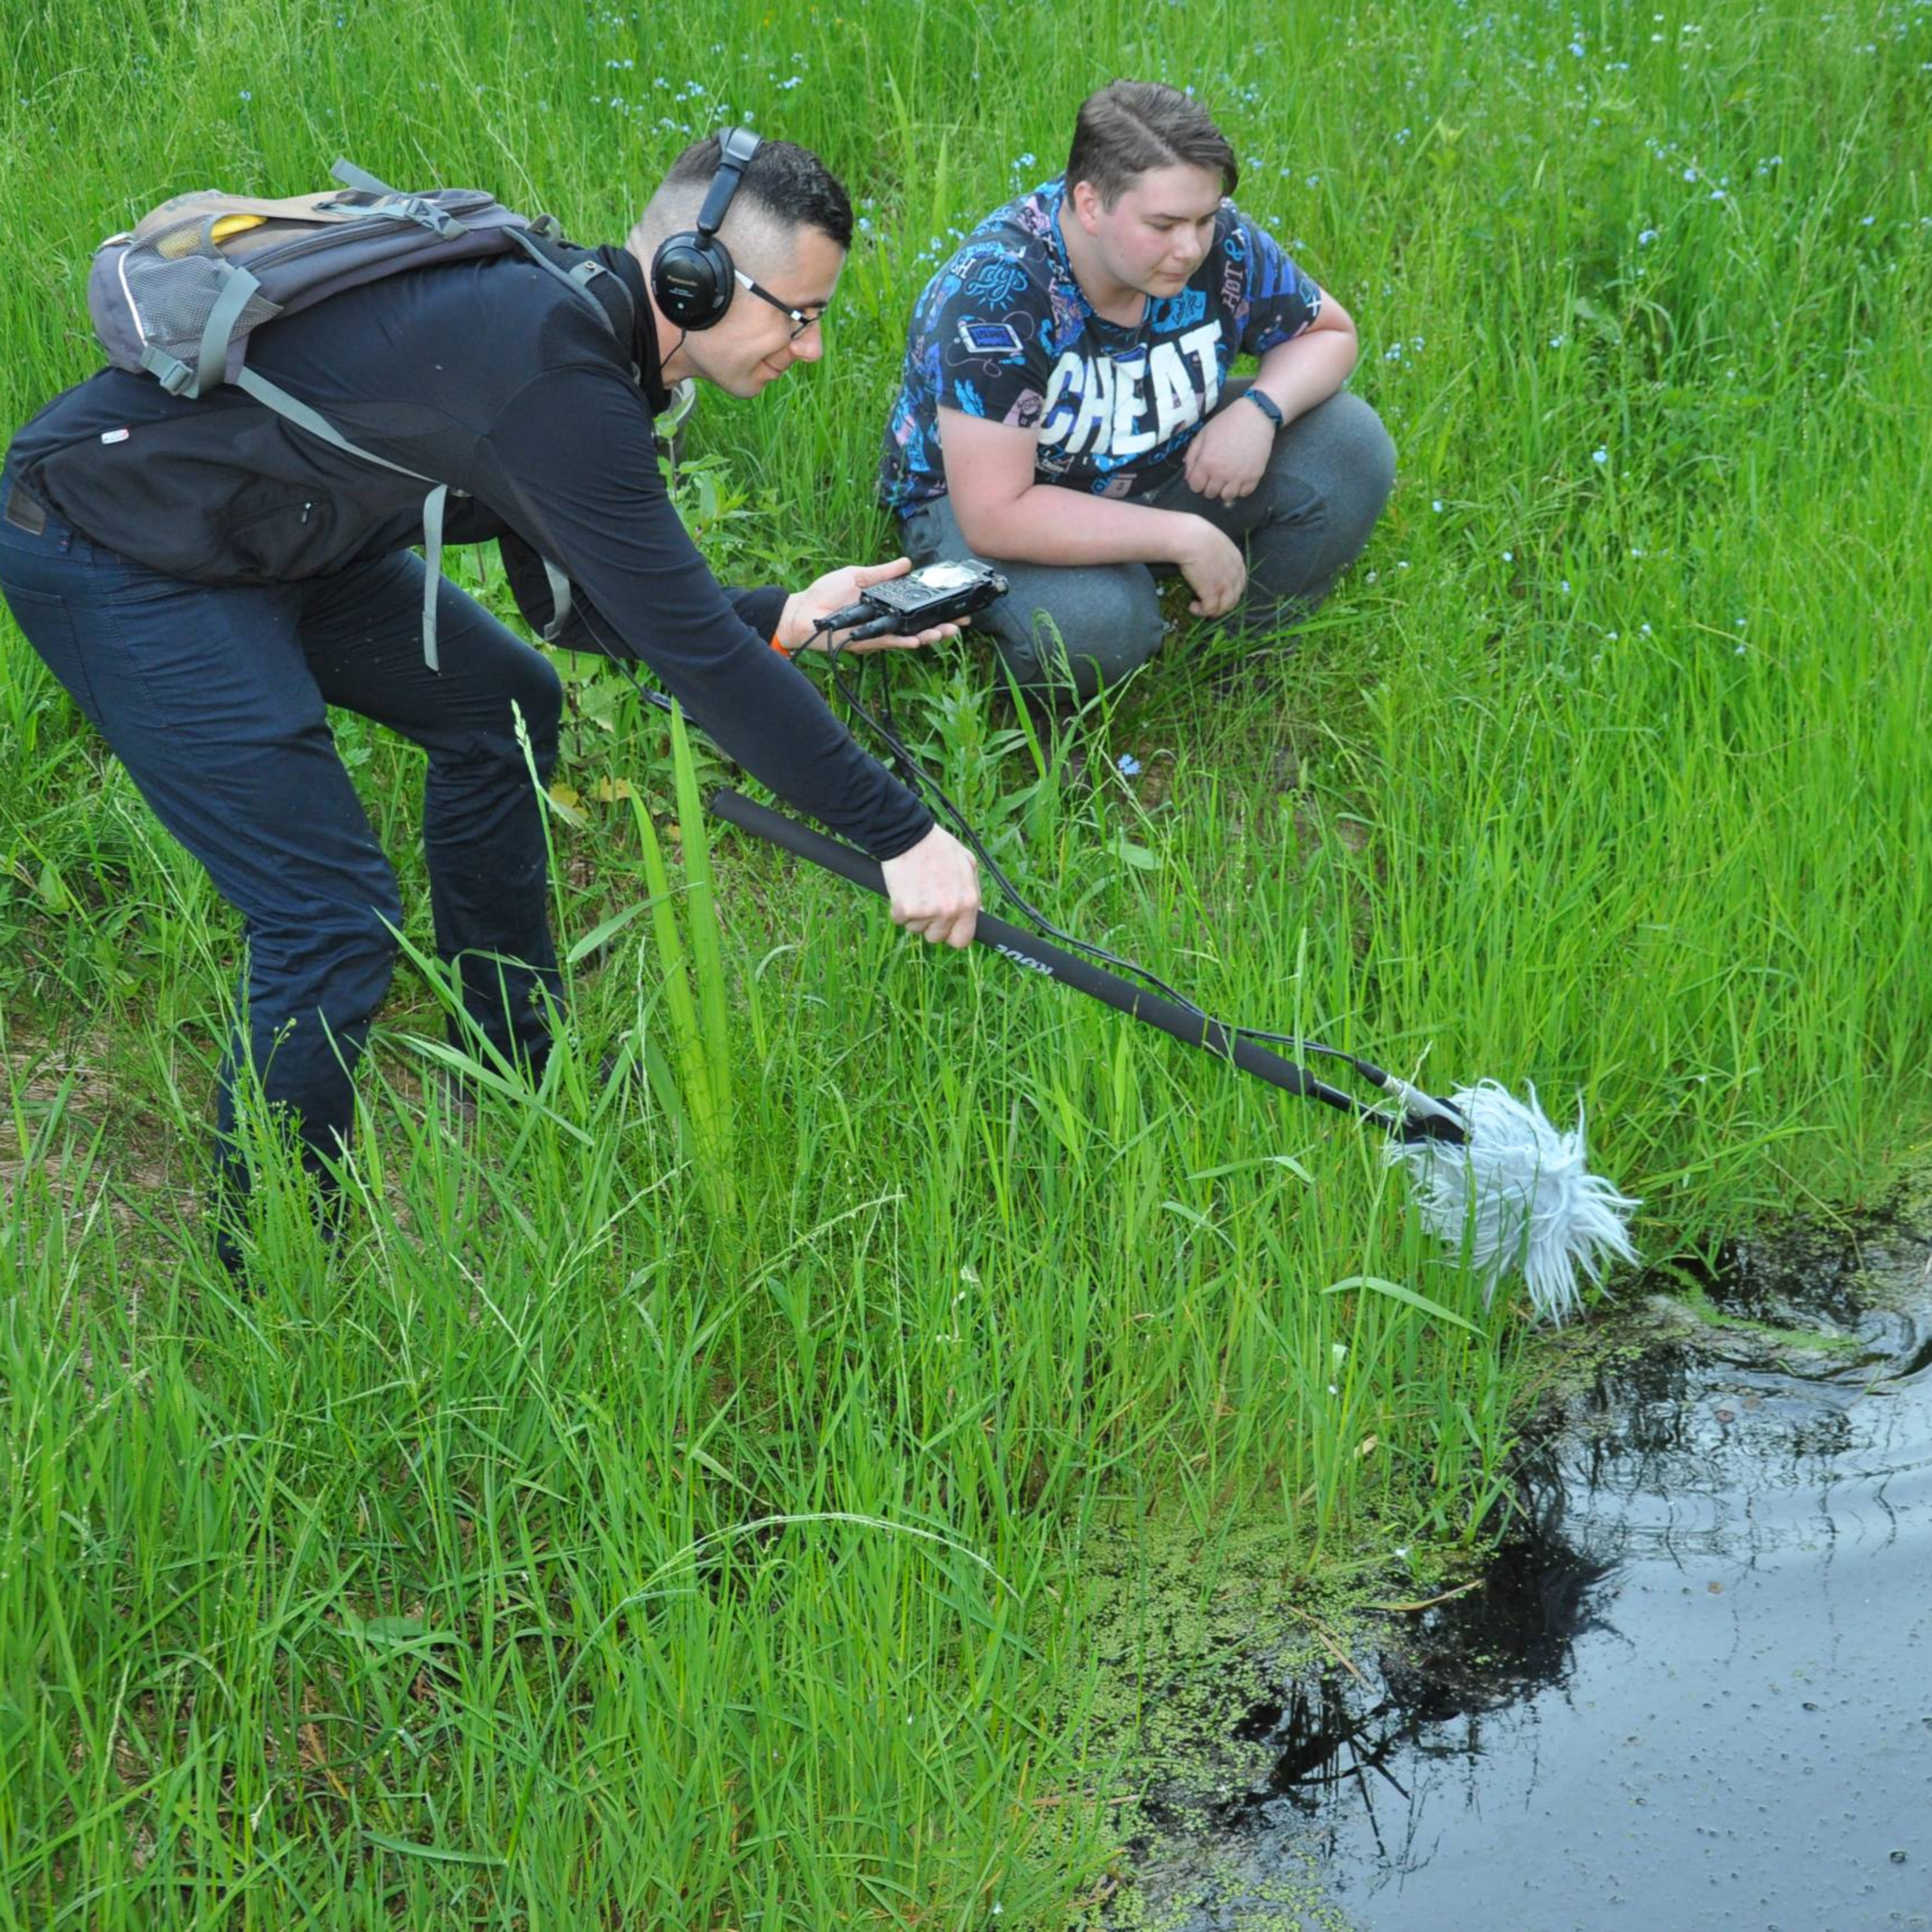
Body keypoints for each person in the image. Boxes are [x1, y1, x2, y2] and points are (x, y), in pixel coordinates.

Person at [0, 131, 981, 1260]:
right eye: (796, 313)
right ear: (694, 280)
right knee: (327, 916)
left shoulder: (576, 339)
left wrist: (780, 615)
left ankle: (514, 1054)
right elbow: (694, 665)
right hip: (122, 553)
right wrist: (901, 834)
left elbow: (576, 605)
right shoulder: (555, 373)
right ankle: (272, 1256)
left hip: (279, 535)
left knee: (504, 704)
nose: (806, 349)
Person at [879, 80, 1396, 698]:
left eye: (1205, 218)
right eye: (1165, 224)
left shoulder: (1217, 241)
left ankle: (1245, 654)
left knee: (1350, 443)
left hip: (1152, 454)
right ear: (1091, 204)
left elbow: (1330, 332)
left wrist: (1260, 410)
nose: (1191, 247)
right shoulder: (997, 294)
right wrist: (1184, 536)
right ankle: (1043, 713)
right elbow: (995, 514)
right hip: (987, 501)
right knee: (1099, 627)